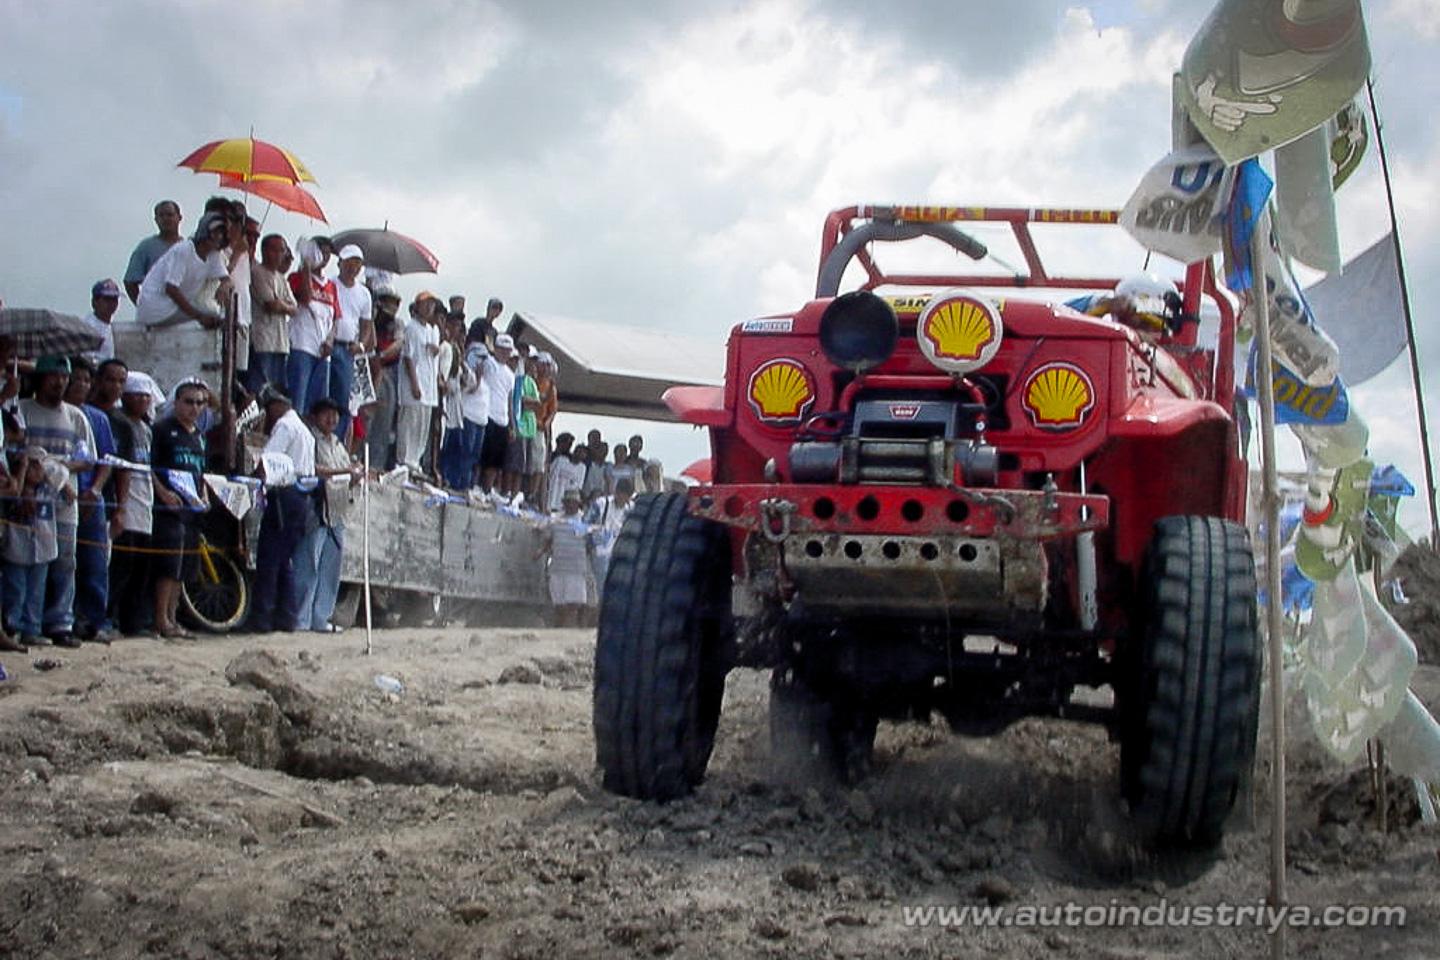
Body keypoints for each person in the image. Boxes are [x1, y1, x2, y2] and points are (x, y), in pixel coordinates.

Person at [19, 355, 94, 647]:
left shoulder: (76, 416)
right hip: (30, 498)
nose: (60, 382)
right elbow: (18, 450)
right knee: (34, 562)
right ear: (40, 379)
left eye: (64, 377)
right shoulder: (23, 410)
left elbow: (86, 459)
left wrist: (56, 468)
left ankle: (61, 621)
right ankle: (30, 624)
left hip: (65, 499)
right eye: (54, 376)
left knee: (65, 561)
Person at [247, 384, 315, 633]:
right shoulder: (304, 430)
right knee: (284, 560)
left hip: (283, 495)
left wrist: (252, 478)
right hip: (301, 496)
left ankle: (261, 618)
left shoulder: (285, 426)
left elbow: (268, 460)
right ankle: (286, 617)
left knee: (270, 558)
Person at [150, 377, 210, 640]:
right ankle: (160, 619)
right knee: (168, 565)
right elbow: (148, 467)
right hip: (168, 509)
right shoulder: (162, 430)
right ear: (176, 402)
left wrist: (204, 495)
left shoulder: (199, 435)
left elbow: (201, 471)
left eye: (200, 403)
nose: (195, 408)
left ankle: (173, 619)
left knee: (185, 567)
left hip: (192, 509)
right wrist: (162, 493)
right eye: (189, 402)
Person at [294, 396, 360, 632]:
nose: (331, 419)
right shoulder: (309, 439)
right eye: (326, 414)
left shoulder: (337, 443)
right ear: (315, 416)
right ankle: (301, 620)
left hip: (338, 512)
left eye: (335, 414)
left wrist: (355, 476)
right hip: (316, 509)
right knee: (308, 565)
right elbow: (311, 468)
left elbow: (346, 475)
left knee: (330, 569)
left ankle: (321, 618)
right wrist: (344, 471)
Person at [69, 357, 120, 643]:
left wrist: (96, 490)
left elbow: (107, 460)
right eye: (76, 379)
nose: (81, 385)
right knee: (65, 562)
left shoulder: (97, 418)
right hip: (63, 496)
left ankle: (96, 620)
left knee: (95, 563)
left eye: (87, 380)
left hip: (92, 497)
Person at [107, 371, 157, 636]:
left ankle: (133, 622)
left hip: (145, 501)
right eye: (137, 395)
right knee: (121, 564)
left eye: (146, 397)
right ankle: (112, 617)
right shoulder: (117, 423)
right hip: (126, 500)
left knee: (141, 567)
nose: (143, 401)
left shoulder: (147, 429)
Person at [3, 449, 65, 648]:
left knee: (36, 593)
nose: (37, 470)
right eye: (33, 466)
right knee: (16, 591)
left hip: (43, 549)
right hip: (16, 548)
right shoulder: (14, 486)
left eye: (40, 466)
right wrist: (23, 470)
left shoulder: (48, 487)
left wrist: (46, 471)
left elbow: (67, 490)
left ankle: (32, 629)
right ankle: (12, 628)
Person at [132, 211, 232, 330]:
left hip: (172, 308)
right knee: (211, 314)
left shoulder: (213, 255)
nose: (217, 236)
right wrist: (199, 316)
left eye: (221, 233)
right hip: (157, 309)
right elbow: (171, 288)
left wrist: (224, 286)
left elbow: (226, 279)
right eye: (214, 232)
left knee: (216, 315)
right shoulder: (184, 250)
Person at [286, 236, 337, 417]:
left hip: (322, 351)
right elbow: (305, 297)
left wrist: (330, 340)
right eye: (321, 251)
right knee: (298, 399)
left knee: (319, 404)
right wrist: (306, 267)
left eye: (327, 253)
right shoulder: (296, 278)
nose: (323, 257)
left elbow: (335, 318)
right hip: (302, 345)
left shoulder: (331, 286)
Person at [330, 244, 373, 440]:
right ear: (340, 263)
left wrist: (362, 345)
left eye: (357, 264)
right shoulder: (330, 283)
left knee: (343, 399)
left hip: (348, 349)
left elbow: (366, 326)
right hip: (329, 345)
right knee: (325, 395)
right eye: (349, 263)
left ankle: (337, 441)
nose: (353, 268)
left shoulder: (364, 294)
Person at [396, 293, 441, 474]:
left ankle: (415, 461)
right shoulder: (412, 328)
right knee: (409, 425)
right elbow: (408, 357)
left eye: (432, 305)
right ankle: (404, 461)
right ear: (417, 306)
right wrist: (414, 384)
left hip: (429, 387)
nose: (429, 308)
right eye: (426, 304)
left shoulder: (431, 330)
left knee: (422, 428)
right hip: (414, 385)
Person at [249, 233, 297, 392]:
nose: (278, 255)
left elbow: (294, 308)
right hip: (262, 341)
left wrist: (280, 304)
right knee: (260, 389)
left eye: (282, 251)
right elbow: (270, 304)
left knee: (278, 391)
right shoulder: (257, 272)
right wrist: (282, 305)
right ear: (264, 251)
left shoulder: (282, 278)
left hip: (280, 343)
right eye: (274, 250)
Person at [537, 488, 591, 627]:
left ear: (578, 503)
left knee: (572, 606)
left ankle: (567, 634)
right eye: (568, 502)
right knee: (559, 607)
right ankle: (559, 633)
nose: (570, 505)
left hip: (576, 569)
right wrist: (540, 551)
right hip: (558, 568)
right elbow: (549, 539)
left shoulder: (585, 520)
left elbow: (591, 544)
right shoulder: (555, 519)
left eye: (573, 502)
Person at [364, 284, 404, 470]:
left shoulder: (396, 324)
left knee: (383, 421)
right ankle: (359, 459)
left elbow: (398, 344)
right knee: (364, 417)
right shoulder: (370, 318)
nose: (392, 307)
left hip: (387, 371)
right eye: (389, 302)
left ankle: (376, 465)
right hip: (365, 368)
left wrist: (380, 356)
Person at [123, 200, 183, 304]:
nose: (165, 219)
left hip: (185, 312)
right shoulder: (146, 247)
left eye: (169, 215)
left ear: (179, 218)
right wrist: (143, 307)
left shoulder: (189, 247)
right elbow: (130, 282)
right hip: (158, 312)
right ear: (156, 219)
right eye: (161, 215)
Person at [478, 333, 515, 494]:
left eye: (508, 350)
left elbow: (510, 400)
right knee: (482, 456)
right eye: (502, 349)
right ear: (497, 349)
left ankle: (486, 491)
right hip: (487, 415)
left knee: (496, 461)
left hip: (502, 419)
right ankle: (475, 486)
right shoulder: (489, 364)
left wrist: (512, 426)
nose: (505, 353)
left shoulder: (510, 374)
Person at [584, 475, 634, 592]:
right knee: (602, 586)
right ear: (616, 492)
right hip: (600, 550)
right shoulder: (600, 504)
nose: (624, 500)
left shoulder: (631, 508)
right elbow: (585, 523)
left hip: (619, 551)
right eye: (622, 495)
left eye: (627, 497)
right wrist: (591, 541)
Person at [83, 279, 122, 362]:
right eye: (107, 299)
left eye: (114, 299)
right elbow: (87, 359)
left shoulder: (110, 325)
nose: (111, 303)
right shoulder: (89, 327)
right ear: (94, 302)